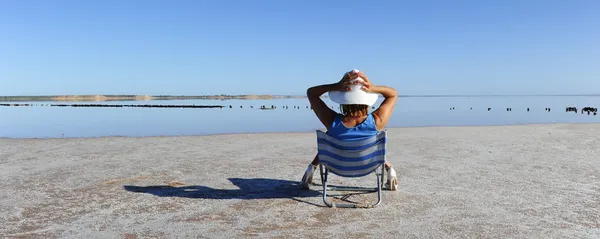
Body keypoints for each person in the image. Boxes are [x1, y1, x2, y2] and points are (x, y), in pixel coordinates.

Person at [301, 69, 399, 190]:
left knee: (331, 136)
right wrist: (373, 88)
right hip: (367, 166)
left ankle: (312, 167)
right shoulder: (377, 120)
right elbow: (393, 94)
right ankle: (389, 168)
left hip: (338, 166)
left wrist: (336, 86)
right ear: (367, 101)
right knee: (369, 142)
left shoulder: (332, 121)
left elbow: (311, 93)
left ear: (343, 101)